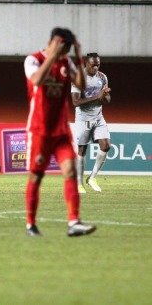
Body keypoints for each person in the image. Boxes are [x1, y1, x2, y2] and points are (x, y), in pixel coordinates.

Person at [23, 28, 96, 237]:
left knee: (71, 172)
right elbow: (36, 80)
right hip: (40, 130)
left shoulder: (66, 62)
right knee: (36, 177)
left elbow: (81, 85)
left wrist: (80, 57)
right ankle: (31, 224)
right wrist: (52, 56)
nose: (66, 52)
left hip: (61, 131)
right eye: (65, 47)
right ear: (55, 42)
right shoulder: (33, 60)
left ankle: (74, 222)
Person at [71, 53, 111, 193]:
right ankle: (79, 183)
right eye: (93, 65)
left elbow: (107, 99)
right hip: (83, 118)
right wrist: (97, 96)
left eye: (98, 65)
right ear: (85, 64)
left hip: (98, 117)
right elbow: (75, 102)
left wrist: (106, 96)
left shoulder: (102, 77)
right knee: (82, 150)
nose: (96, 67)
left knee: (106, 146)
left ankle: (92, 178)